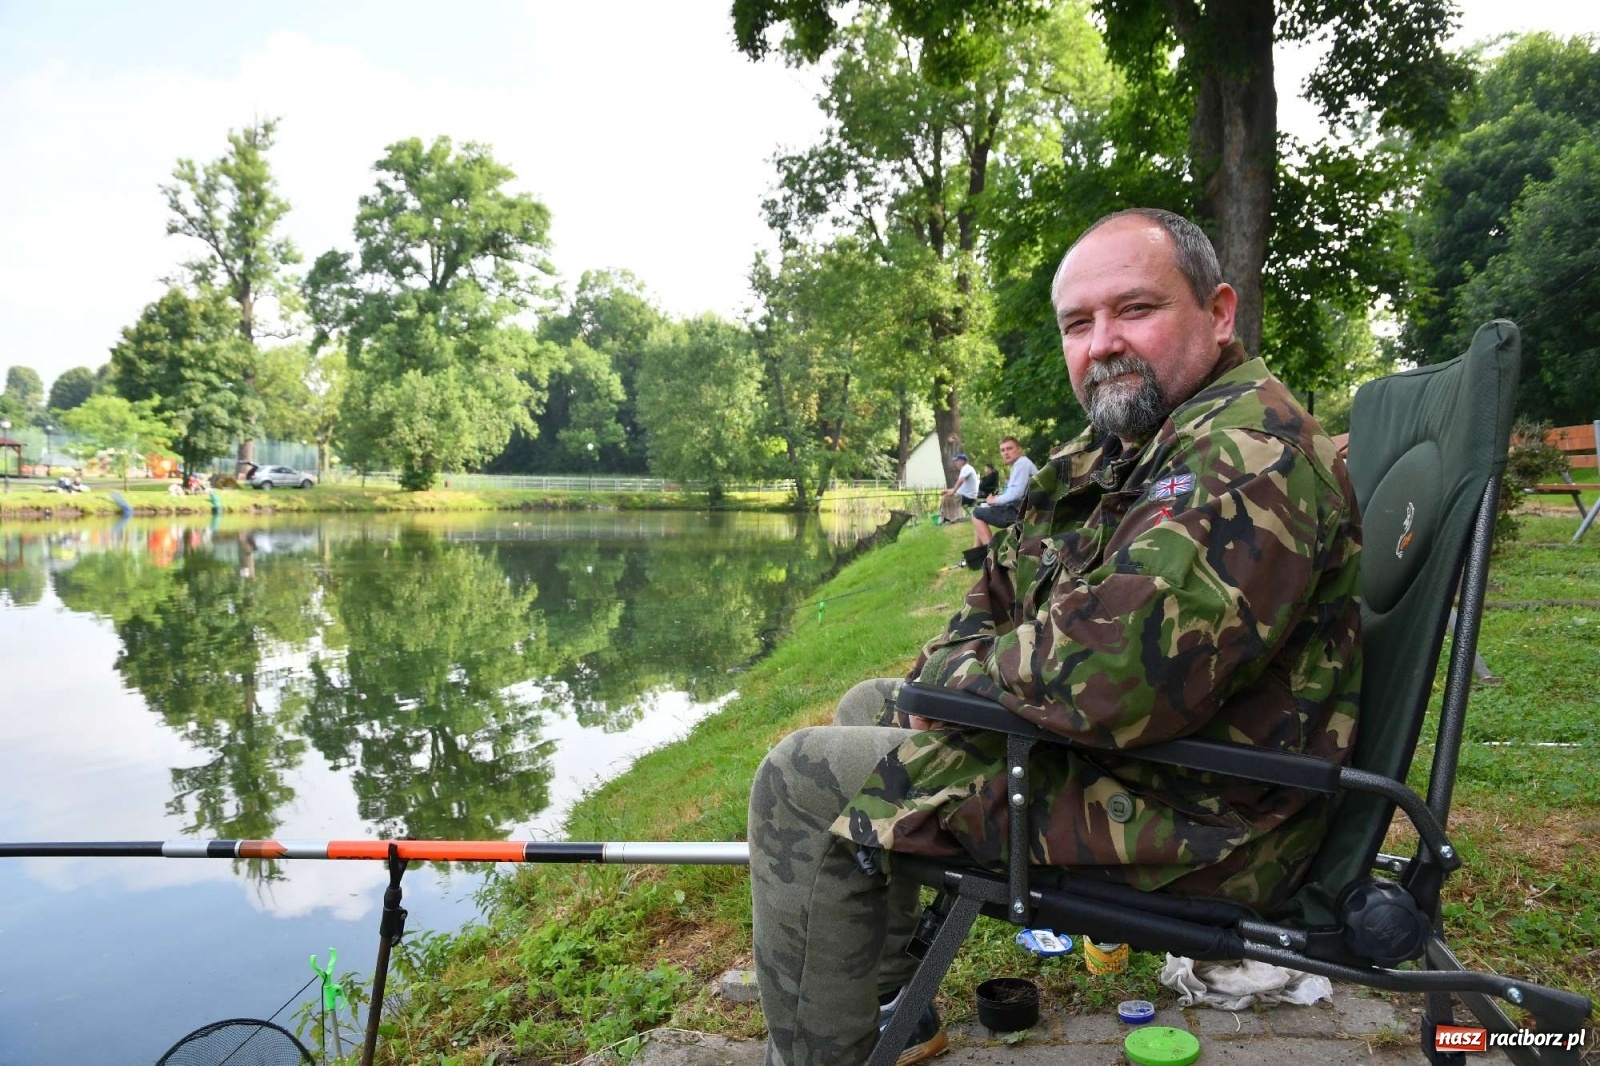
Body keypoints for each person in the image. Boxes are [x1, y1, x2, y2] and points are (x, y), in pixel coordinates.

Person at [748, 208, 1362, 1066]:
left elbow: (1106, 673)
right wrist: (946, 675)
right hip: (1164, 761)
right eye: (1079, 323)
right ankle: (891, 1002)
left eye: (1135, 310)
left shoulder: (1242, 455)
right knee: (871, 703)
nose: (1102, 343)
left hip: (1213, 817)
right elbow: (1004, 581)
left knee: (801, 779)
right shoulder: (1139, 441)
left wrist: (949, 689)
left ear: (1219, 313)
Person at [969, 436, 1036, 550]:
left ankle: (991, 555)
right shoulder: (1019, 464)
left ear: (1019, 449)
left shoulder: (1022, 463)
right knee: (981, 510)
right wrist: (997, 499)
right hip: (1024, 510)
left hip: (1022, 513)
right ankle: (976, 551)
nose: (1006, 453)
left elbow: (1016, 493)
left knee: (976, 513)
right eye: (1003, 450)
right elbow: (1013, 492)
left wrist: (994, 500)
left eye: (1009, 448)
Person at [937, 452, 980, 522]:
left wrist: (953, 492)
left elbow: (961, 481)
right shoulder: (966, 469)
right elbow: (960, 488)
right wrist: (948, 491)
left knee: (947, 498)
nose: (956, 463)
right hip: (966, 496)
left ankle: (949, 518)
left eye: (957, 461)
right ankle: (946, 518)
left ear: (962, 461)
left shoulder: (966, 468)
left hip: (969, 498)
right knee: (946, 495)